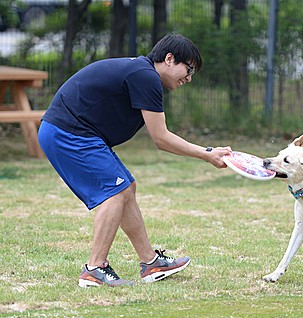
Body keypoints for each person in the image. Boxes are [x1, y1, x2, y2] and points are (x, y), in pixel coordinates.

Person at [38, 34, 232, 287]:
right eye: (189, 68)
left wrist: (206, 152)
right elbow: (161, 138)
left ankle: (151, 263)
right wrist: (207, 154)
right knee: (115, 192)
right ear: (169, 59)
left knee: (126, 188)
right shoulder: (145, 76)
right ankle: (94, 268)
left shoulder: (143, 74)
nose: (189, 77)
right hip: (69, 132)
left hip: (76, 133)